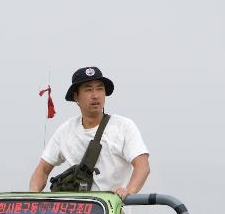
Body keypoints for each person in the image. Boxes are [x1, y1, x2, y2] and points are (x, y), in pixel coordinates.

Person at [28, 66, 150, 199]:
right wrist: (33, 199)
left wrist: (128, 191)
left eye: (100, 88)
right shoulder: (66, 130)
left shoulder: (123, 126)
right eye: (88, 89)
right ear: (76, 97)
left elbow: (142, 166)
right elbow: (42, 170)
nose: (95, 95)